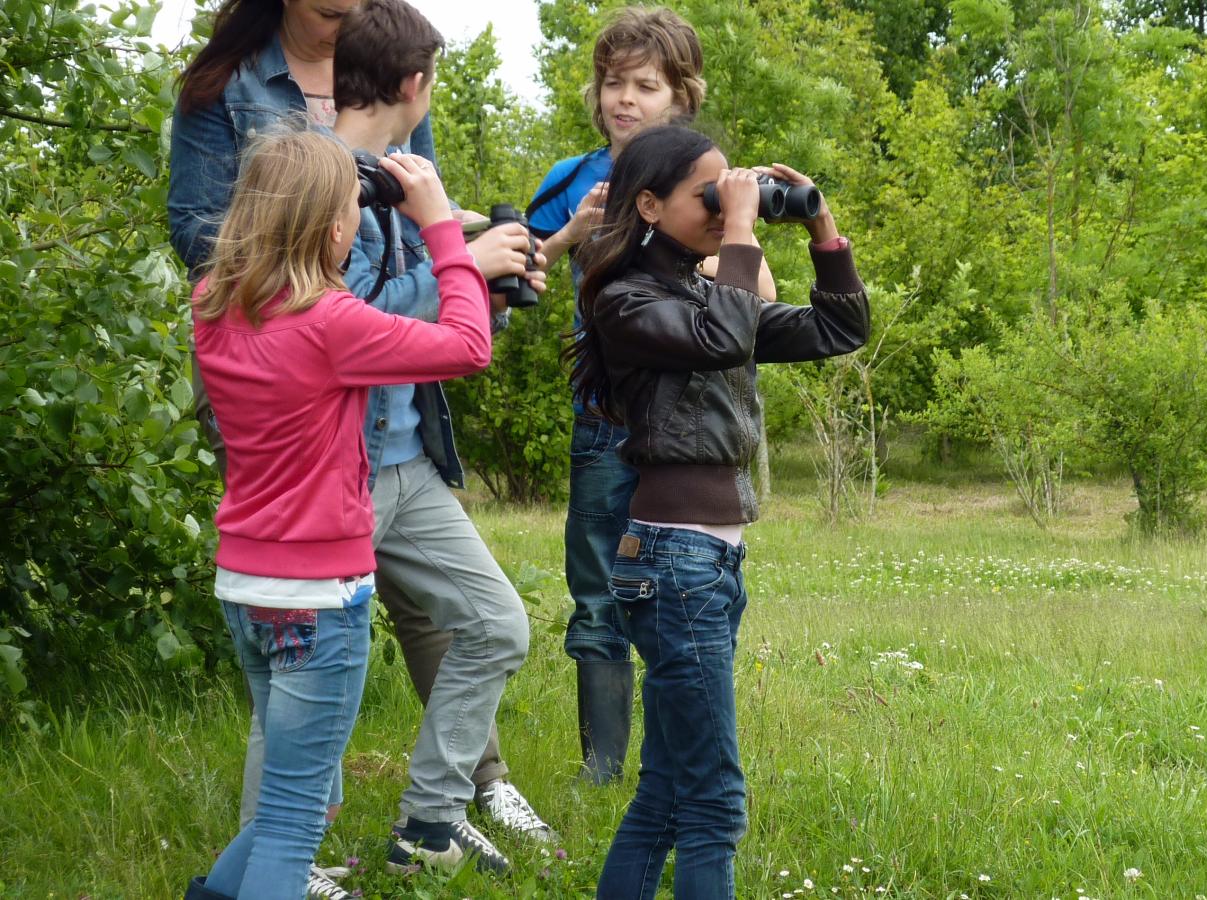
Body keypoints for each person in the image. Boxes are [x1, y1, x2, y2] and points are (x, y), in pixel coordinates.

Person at [180, 129, 491, 900]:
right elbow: (468, 344)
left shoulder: (213, 304)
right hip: (319, 600)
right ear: (332, 232)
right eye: (354, 207)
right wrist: (440, 226)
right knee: (294, 822)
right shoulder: (331, 326)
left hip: (245, 587)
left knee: (291, 803)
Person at [571, 124, 869, 898]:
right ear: (647, 205)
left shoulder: (705, 295)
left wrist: (821, 228)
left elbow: (839, 329)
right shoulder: (627, 300)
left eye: (727, 191)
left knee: (668, 792)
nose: (723, 205)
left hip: (707, 562)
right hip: (675, 563)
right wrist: (739, 229)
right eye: (706, 194)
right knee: (714, 802)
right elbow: (723, 339)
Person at [326, 0, 550, 875]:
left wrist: (488, 280)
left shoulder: (408, 180)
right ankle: (279, 862)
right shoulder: (322, 180)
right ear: (415, 84)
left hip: (408, 462)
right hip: (337, 470)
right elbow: (339, 331)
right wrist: (461, 261)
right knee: (315, 683)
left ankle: (429, 823)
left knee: (496, 625)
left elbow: (446, 332)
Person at [525, 6, 722, 787]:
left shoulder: (706, 180)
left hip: (686, 427)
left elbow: (748, 288)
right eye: (614, 83)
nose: (625, 100)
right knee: (599, 597)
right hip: (601, 421)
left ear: (681, 95)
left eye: (645, 85)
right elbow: (518, 276)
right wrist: (567, 237)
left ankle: (682, 766)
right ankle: (601, 774)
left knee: (686, 594)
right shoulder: (570, 179)